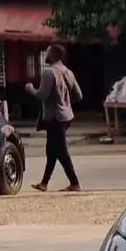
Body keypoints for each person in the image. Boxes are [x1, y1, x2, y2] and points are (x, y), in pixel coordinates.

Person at [33, 44, 82, 192]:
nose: (46, 55)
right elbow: (79, 96)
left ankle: (75, 183)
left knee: (60, 150)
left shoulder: (49, 72)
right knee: (52, 150)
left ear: (53, 55)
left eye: (47, 52)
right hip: (66, 116)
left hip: (55, 117)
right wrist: (66, 103)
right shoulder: (68, 72)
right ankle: (44, 183)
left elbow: (42, 95)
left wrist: (30, 89)